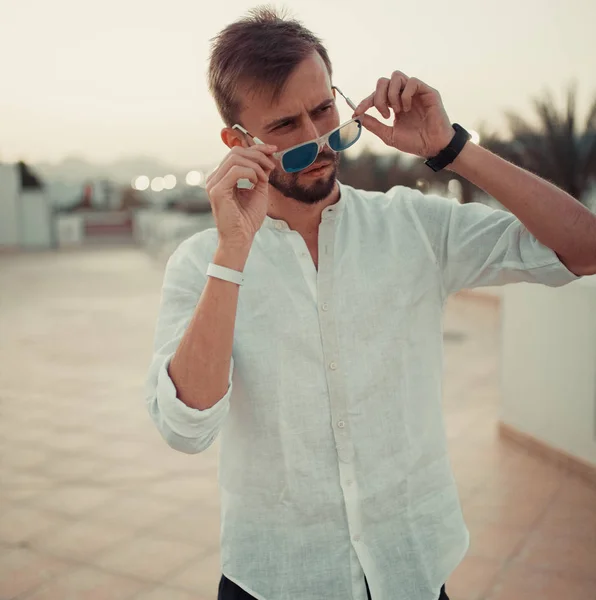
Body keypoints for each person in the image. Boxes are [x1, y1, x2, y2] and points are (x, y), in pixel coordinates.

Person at [145, 7, 596, 600]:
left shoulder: (412, 226)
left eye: (324, 112)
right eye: (285, 126)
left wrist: (451, 148)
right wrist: (232, 253)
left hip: (409, 570)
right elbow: (186, 427)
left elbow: (584, 248)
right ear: (238, 143)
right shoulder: (203, 263)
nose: (318, 141)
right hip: (276, 577)